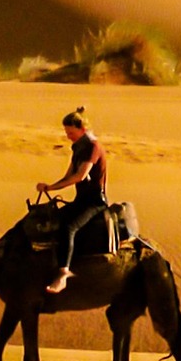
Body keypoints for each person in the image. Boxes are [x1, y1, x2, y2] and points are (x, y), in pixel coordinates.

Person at [38, 108, 109, 294]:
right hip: (81, 200)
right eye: (66, 132)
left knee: (68, 227)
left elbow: (80, 176)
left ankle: (63, 274)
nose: (67, 136)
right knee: (52, 219)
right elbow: (68, 175)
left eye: (70, 132)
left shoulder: (93, 147)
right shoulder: (78, 147)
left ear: (82, 129)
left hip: (94, 203)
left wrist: (51, 188)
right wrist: (49, 186)